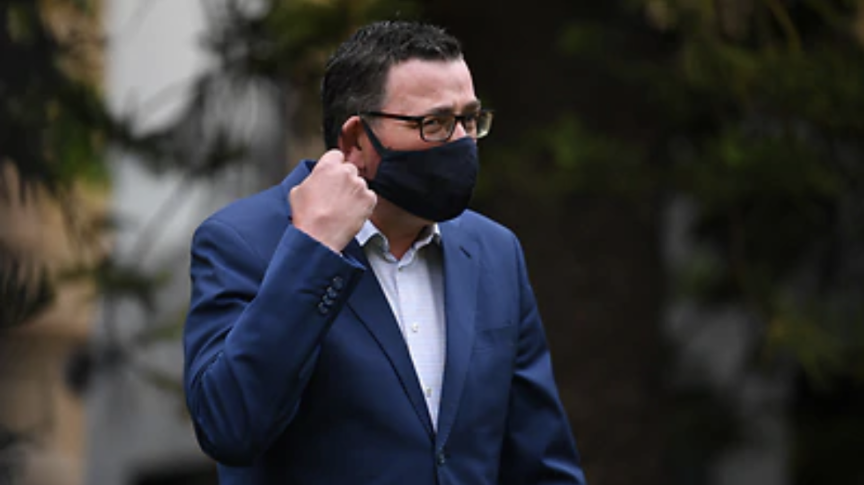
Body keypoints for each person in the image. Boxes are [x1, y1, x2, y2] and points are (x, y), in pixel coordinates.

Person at [183, 20, 587, 485]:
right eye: (435, 123)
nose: (461, 141)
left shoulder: (494, 250)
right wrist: (314, 249)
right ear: (357, 140)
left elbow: (541, 463)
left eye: (470, 119)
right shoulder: (242, 242)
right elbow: (229, 428)